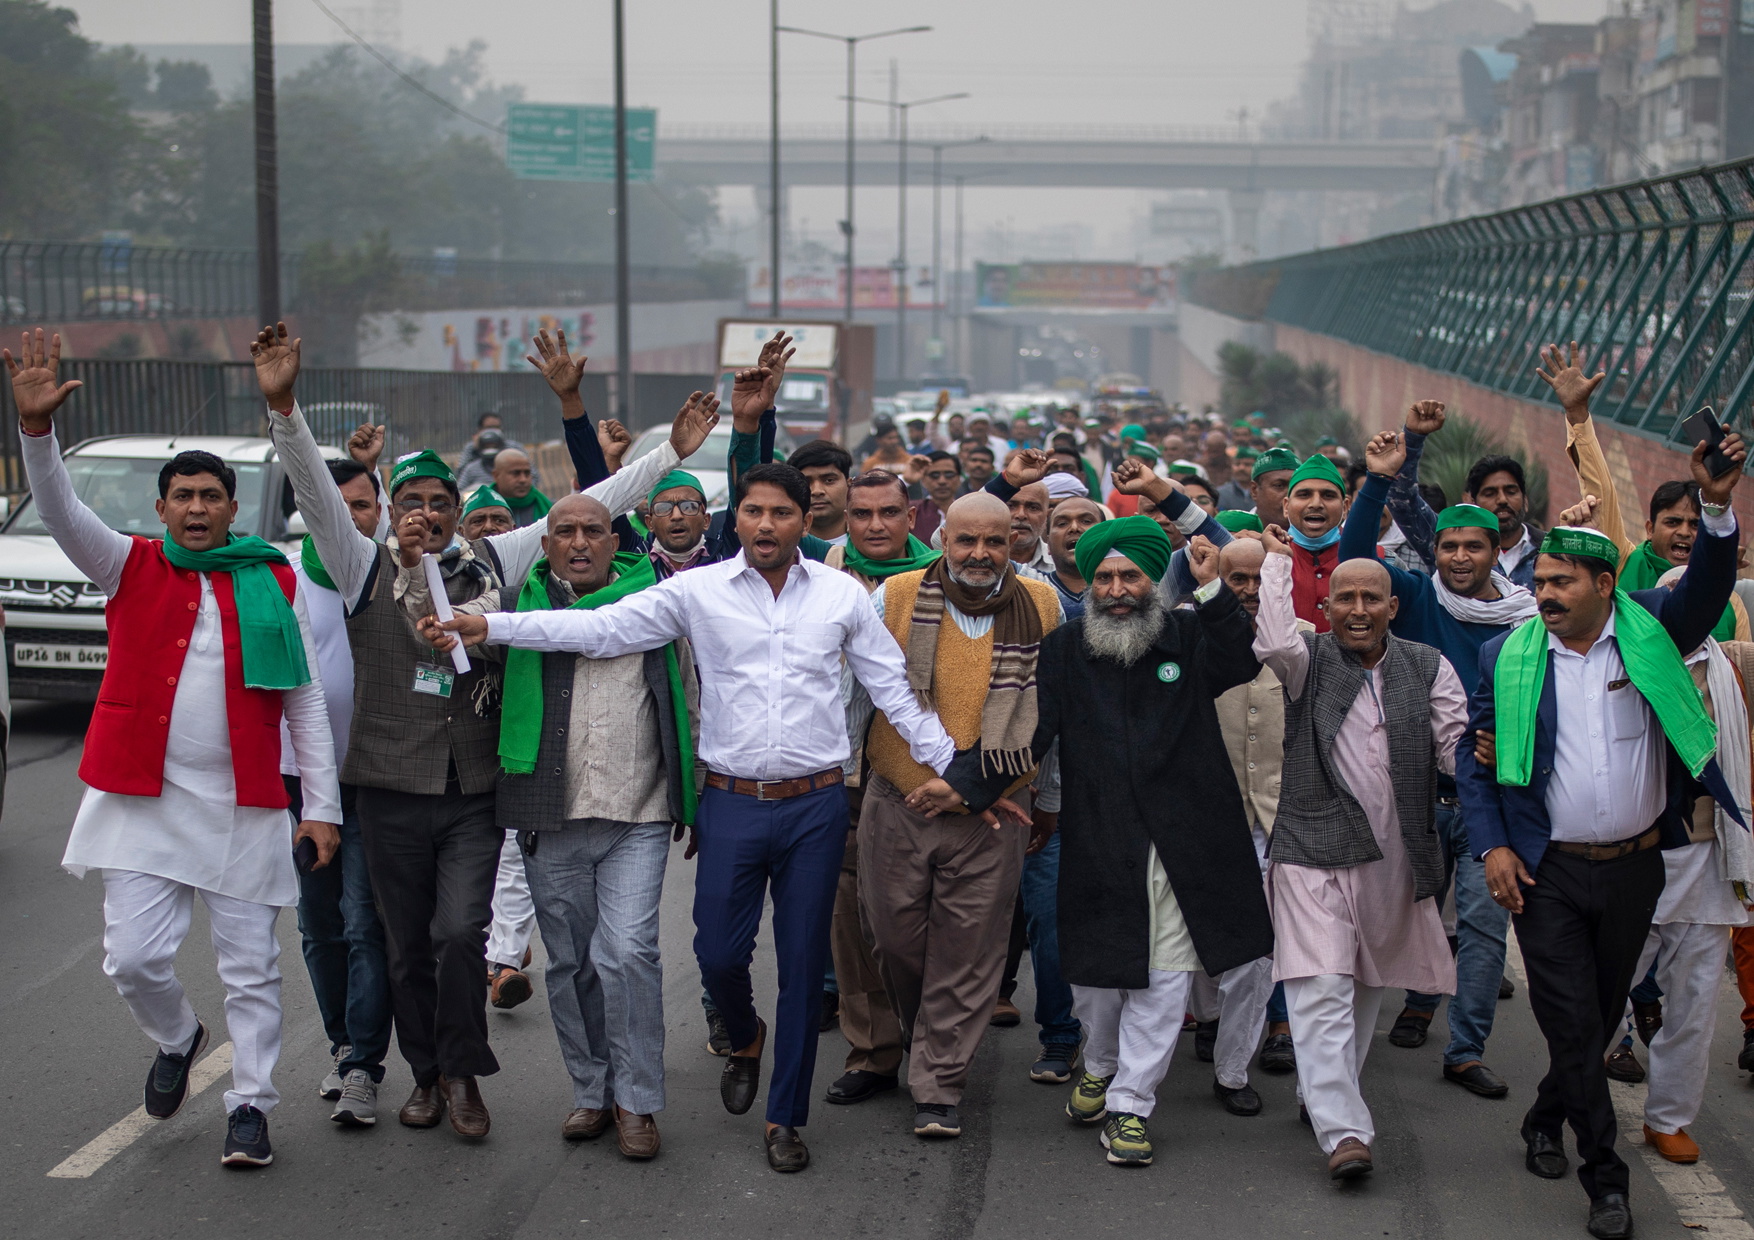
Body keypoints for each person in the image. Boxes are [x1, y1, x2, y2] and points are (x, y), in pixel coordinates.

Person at [436, 461, 959, 1174]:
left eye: (781, 513)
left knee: (804, 967)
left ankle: (784, 1118)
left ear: (803, 521)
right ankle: (743, 1035)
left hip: (814, 804)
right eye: (753, 513)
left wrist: (962, 778)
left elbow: (893, 690)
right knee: (718, 955)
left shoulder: (840, 595)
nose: (767, 525)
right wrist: (487, 624)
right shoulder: (695, 591)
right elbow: (599, 628)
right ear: (733, 521)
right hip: (733, 804)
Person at [254, 321, 702, 1139]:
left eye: (440, 504)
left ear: (461, 513)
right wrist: (284, 409)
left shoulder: (495, 564)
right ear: (390, 510)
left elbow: (596, 509)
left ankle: (465, 1074)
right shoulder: (359, 566)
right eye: (411, 502)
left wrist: (671, 451)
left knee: (462, 932)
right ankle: (425, 1073)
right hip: (388, 787)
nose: (426, 514)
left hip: (475, 792)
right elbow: (318, 492)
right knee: (402, 947)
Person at [6, 328, 342, 1169]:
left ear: (235, 507)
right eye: (182, 496)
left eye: (211, 496)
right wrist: (36, 435)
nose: (196, 508)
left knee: (252, 970)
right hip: (138, 797)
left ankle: (251, 1107)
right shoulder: (128, 566)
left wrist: (323, 809)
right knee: (133, 959)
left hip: (244, 805)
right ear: (160, 510)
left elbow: (301, 699)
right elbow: (56, 510)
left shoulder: (276, 576)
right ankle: (177, 1036)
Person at [1456, 433, 1745, 1240]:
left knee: (1597, 1013)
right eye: (1539, 580)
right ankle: (1606, 1179)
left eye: (1559, 581)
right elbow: (1472, 761)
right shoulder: (1503, 657)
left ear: (1605, 585)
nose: (1542, 593)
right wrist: (1495, 847)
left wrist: (1716, 507)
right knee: (1577, 1025)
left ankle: (1545, 1118)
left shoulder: (1652, 632)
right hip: (1544, 875)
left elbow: (1710, 583)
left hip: (1636, 871)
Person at [922, 516, 1270, 1167]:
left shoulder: (1189, 635)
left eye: (1129, 575)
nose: (1115, 588)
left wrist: (1217, 589)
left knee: (1165, 976)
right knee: (1098, 981)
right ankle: (1101, 1061)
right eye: (1104, 576)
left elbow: (1241, 660)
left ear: (1150, 580)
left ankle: (1131, 1105)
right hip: (1101, 838)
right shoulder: (1063, 650)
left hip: (1186, 842)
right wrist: (964, 784)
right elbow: (1025, 731)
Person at [415, 492, 699, 1161]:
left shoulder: (655, 605)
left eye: (592, 531)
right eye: (563, 531)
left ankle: (637, 1100)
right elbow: (462, 620)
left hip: (639, 811)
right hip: (550, 815)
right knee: (571, 962)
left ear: (616, 540)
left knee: (627, 953)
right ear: (544, 546)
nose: (578, 542)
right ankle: (592, 1091)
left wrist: (697, 794)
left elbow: (691, 698)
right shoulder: (513, 607)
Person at [844, 492, 1061, 1138]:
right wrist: (841, 781)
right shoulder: (897, 597)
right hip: (897, 798)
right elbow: (860, 694)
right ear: (942, 539)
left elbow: (1051, 717)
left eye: (994, 542)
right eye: (966, 540)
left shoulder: (1044, 604)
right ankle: (926, 1034)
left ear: (1012, 544)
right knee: (892, 936)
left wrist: (1046, 798)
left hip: (998, 812)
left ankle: (938, 1083)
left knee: (969, 949)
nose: (980, 554)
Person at [1253, 523, 1465, 1181]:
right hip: (1310, 849)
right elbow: (1272, 639)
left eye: (1371, 598)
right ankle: (1345, 1132)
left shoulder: (1426, 666)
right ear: (1329, 606)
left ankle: (1317, 1095)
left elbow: (1456, 747)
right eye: (1344, 598)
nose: (1358, 609)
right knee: (1319, 986)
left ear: (1392, 607)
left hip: (1396, 859)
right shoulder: (1305, 661)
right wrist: (1276, 565)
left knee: (1366, 985)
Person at [1341, 420, 1540, 1098]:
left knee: (1485, 929)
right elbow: (1353, 553)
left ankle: (1465, 1050)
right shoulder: (1418, 599)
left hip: (1492, 804)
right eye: (1449, 544)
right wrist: (1379, 479)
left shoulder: (1526, 619)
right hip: (1415, 796)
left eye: (1473, 546)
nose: (1459, 556)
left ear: (1497, 550)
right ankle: (1363, 1035)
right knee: (1387, 915)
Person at [821, 471, 942, 1107]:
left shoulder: (943, 581)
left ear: (913, 515)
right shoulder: (816, 577)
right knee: (849, 920)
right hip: (840, 776)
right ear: (844, 516)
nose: (874, 525)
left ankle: (935, 1047)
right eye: (861, 513)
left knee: (920, 925)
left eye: (888, 512)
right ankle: (873, 1050)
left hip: (919, 778)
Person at [286, 444, 396, 1128]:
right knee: (317, 923)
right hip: (303, 784)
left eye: (362, 504)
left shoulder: (400, 573)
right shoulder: (282, 578)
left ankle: (363, 1066)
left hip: (377, 782)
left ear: (381, 509)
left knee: (363, 924)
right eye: (335, 505)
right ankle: (342, 1042)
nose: (349, 518)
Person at [1631, 566, 1754, 1166]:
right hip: (1633, 851)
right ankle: (1573, 1106)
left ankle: (1669, 1118)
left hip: (1708, 853)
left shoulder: (1732, 668)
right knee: (1602, 991)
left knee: (1696, 999)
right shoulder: (1625, 656)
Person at [1189, 535, 1306, 1109]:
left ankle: (1233, 1073)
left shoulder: (1302, 642)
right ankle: (1207, 1017)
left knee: (1259, 954)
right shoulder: (1188, 635)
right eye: (1238, 579)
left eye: (1261, 579)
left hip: (1279, 823)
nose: (1250, 591)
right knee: (1193, 940)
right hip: (1205, 817)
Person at [1543, 342, 1749, 641]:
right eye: (1673, 522)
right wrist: (1577, 414)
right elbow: (1600, 489)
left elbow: (1739, 671)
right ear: (1649, 529)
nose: (1684, 532)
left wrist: (1717, 515)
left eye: (1695, 524)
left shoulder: (1726, 598)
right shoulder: (1623, 563)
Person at [1380, 400, 1544, 590]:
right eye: (1489, 493)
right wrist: (1414, 437)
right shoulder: (1444, 539)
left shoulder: (1549, 549)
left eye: (1511, 491)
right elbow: (1402, 500)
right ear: (1471, 501)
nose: (1502, 500)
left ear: (1525, 501)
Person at [1045, 497, 1107, 618]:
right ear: (1048, 544)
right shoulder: (1028, 584)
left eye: (1086, 521)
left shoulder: (1123, 587)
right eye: (1062, 523)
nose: (1074, 528)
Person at [792, 440, 854, 546]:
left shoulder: (870, 543)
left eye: (829, 480)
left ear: (849, 485)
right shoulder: (783, 549)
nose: (817, 491)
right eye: (806, 482)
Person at [491, 447, 552, 528]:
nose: (523, 480)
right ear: (496, 475)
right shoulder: (483, 507)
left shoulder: (548, 507)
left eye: (527, 473)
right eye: (516, 473)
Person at [913, 450, 962, 543]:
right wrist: (906, 480)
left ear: (959, 478)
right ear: (923, 480)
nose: (942, 481)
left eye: (949, 474)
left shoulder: (969, 512)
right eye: (934, 475)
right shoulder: (912, 512)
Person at [1248, 446, 1298, 529]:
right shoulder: (1235, 534)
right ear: (1254, 490)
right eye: (1279, 486)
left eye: (1295, 485)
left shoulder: (1314, 536)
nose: (1289, 495)